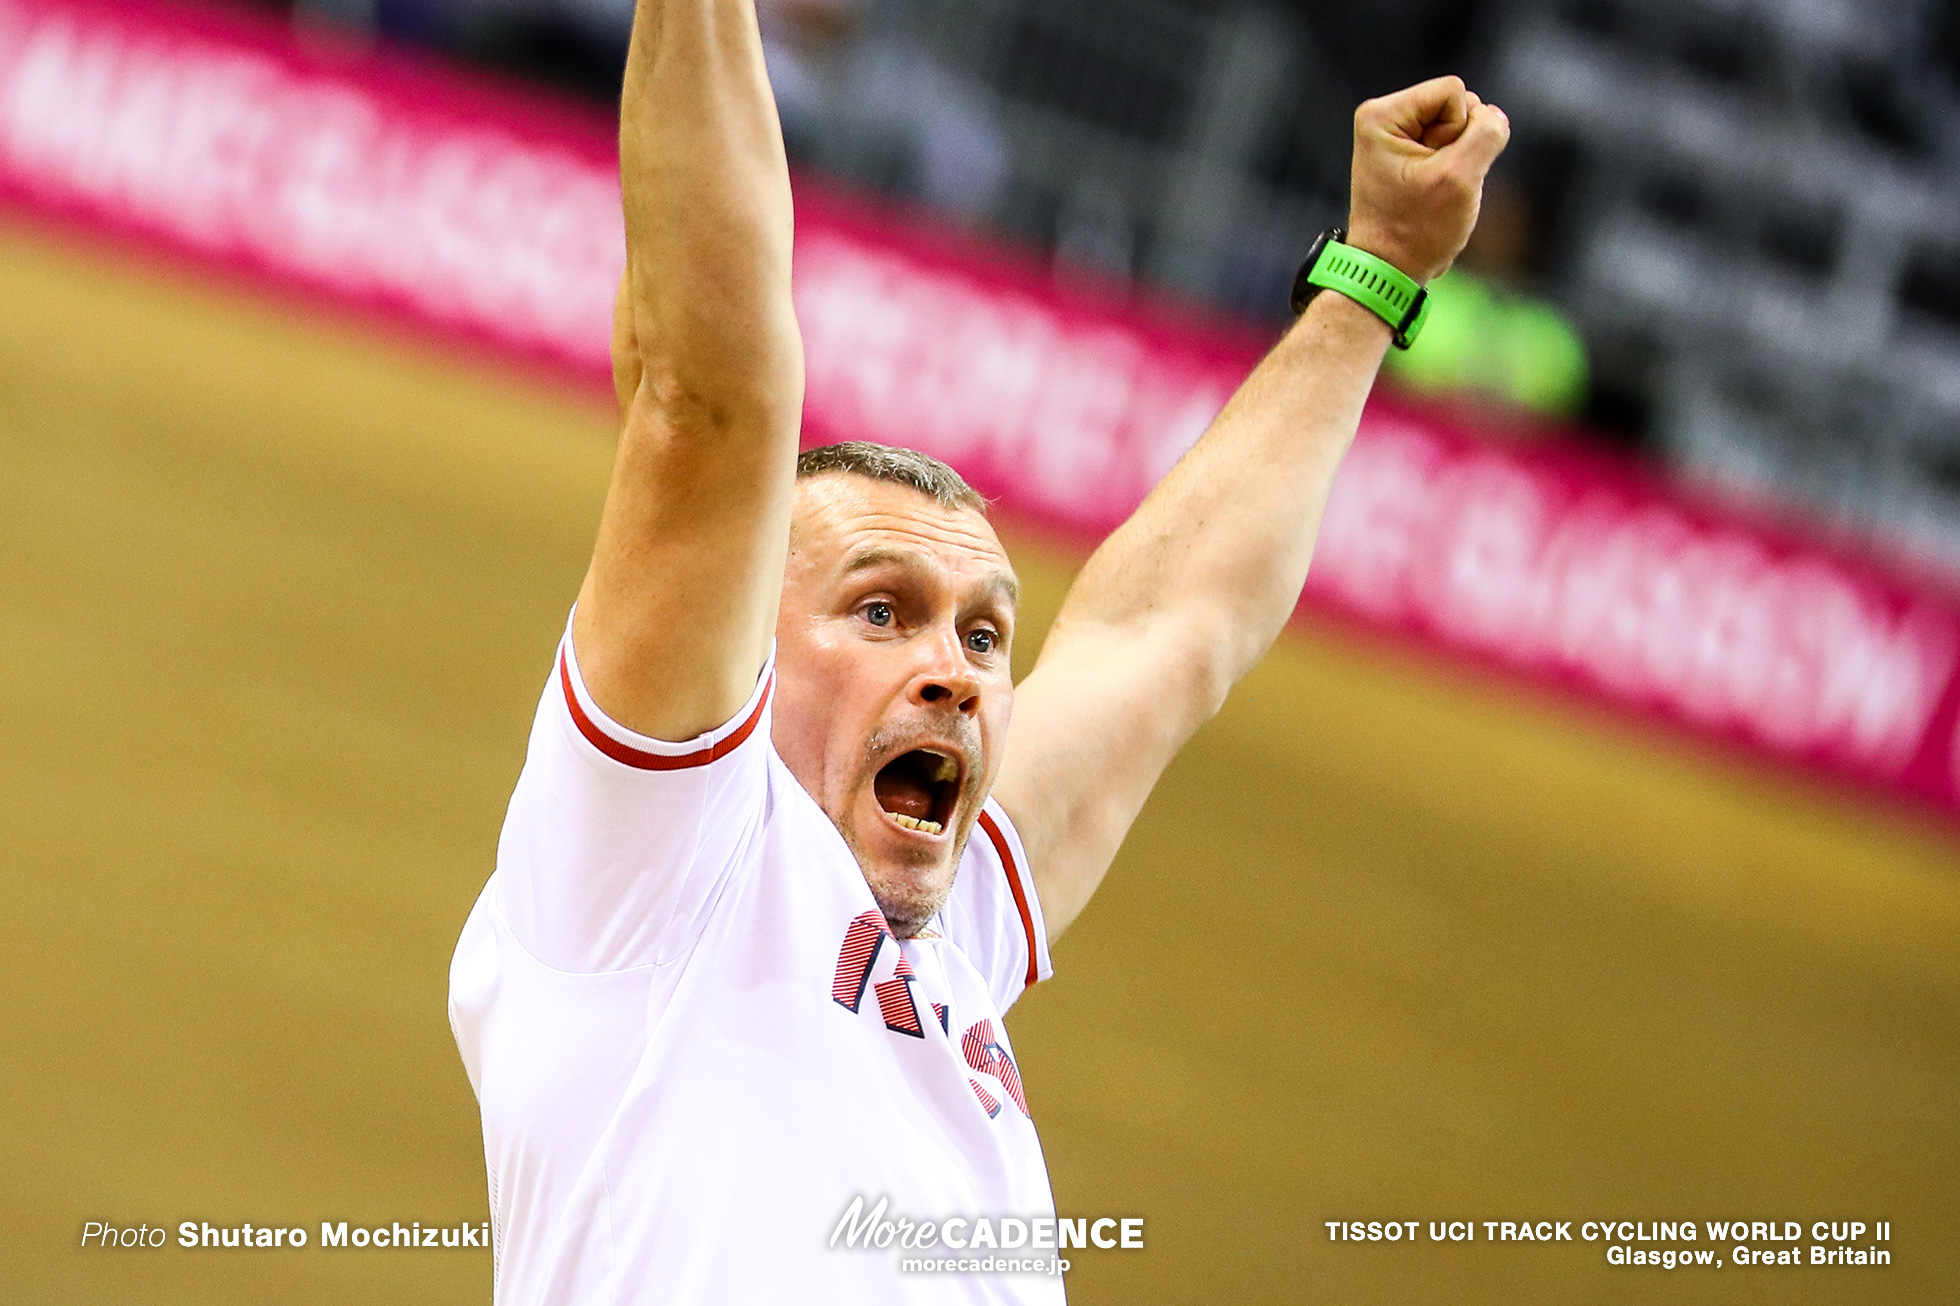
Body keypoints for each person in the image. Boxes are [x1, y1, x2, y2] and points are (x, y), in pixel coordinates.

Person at [446, 0, 1508, 1299]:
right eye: (881, 609)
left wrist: (1377, 268)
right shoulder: (658, 858)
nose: (954, 669)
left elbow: (1171, 628)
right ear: (744, 650)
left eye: (987, 631)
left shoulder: (956, 940)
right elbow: (706, 395)